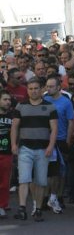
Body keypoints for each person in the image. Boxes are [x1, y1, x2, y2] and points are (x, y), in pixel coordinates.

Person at [11, 77, 58, 222]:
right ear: (27, 90)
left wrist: (50, 146)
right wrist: (14, 144)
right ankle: (22, 209)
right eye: (30, 89)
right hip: (25, 148)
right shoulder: (20, 106)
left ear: (41, 89)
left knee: (41, 181)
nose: (33, 91)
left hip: (43, 149)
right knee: (24, 180)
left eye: (36, 88)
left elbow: (54, 129)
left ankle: (38, 209)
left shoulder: (50, 106)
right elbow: (14, 127)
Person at [44, 75, 74, 214]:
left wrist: (68, 140)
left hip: (61, 139)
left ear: (58, 88)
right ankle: (48, 197)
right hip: (47, 140)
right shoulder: (44, 100)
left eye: (51, 86)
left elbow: (70, 122)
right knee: (49, 172)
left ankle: (58, 197)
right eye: (47, 86)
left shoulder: (66, 102)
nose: (48, 89)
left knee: (61, 172)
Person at [0, 90, 12, 218]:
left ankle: (2, 205)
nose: (8, 102)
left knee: (4, 182)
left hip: (7, 153)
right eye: (5, 99)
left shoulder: (12, 116)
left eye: (9, 100)